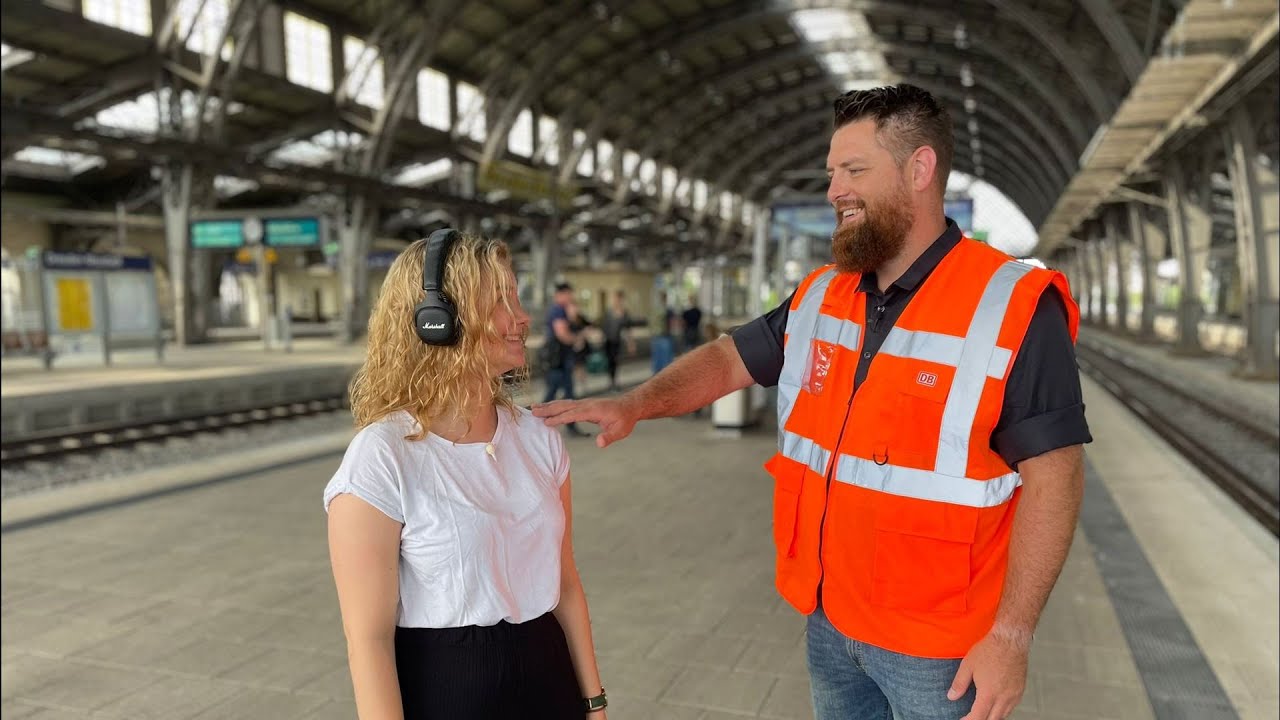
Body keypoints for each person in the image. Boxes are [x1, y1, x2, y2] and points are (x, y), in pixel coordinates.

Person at [534, 84, 1091, 720]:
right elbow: (728, 358)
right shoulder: (823, 294)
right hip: (830, 621)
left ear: (920, 169)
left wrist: (1011, 638)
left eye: (854, 170)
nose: (834, 191)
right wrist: (636, 403)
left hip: (941, 648)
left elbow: (1056, 477)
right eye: (832, 173)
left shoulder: (1011, 303)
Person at [325, 231, 608, 719]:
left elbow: (564, 584)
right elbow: (368, 640)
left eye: (515, 295)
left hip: (551, 678)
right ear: (438, 320)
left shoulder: (540, 440)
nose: (522, 317)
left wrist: (595, 703)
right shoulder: (382, 457)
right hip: (446, 692)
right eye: (499, 299)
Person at [544, 282, 592, 437]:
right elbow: (563, 335)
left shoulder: (563, 310)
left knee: (562, 393)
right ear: (561, 295)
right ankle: (535, 425)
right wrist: (577, 338)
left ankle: (569, 425)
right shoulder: (558, 311)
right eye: (569, 294)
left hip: (562, 360)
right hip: (558, 360)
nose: (571, 297)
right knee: (554, 393)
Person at [601, 290, 634, 392]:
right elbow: (604, 326)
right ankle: (611, 381)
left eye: (619, 299)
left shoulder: (624, 313)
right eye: (616, 298)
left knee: (615, 361)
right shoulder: (609, 312)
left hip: (616, 341)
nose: (617, 301)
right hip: (608, 341)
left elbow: (627, 329)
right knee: (610, 361)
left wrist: (630, 343)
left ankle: (614, 382)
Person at [649, 289, 677, 374]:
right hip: (665, 337)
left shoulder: (654, 310)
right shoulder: (668, 310)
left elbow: (651, 324)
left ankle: (657, 379)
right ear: (666, 298)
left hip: (655, 337)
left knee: (657, 361)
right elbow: (673, 322)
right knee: (666, 362)